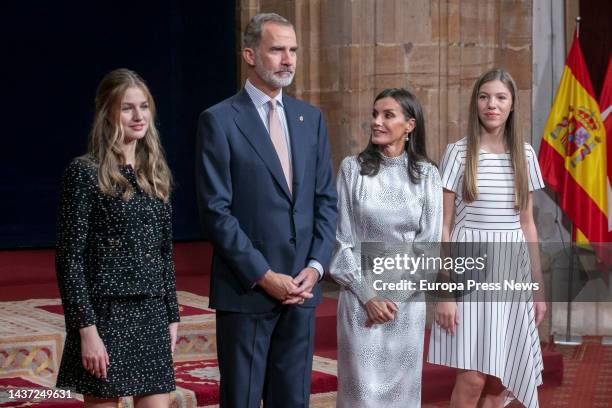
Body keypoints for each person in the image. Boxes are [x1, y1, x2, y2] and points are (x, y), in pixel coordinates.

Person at [195, 13, 337, 408]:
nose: (288, 59)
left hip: (302, 292)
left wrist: (316, 268)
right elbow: (215, 211)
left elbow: (326, 201)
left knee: (293, 400)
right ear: (250, 54)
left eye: (293, 50)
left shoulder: (311, 119)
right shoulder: (219, 120)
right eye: (277, 50)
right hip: (247, 292)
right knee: (240, 400)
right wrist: (263, 275)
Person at [55, 68, 180, 407]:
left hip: (151, 314)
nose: (138, 116)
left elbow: (164, 252)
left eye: (144, 106)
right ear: (108, 112)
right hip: (105, 317)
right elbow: (69, 261)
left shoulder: (155, 173)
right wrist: (86, 330)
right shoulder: (84, 173)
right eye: (127, 107)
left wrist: (172, 315)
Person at [427, 68, 547, 408]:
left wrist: (537, 289)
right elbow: (444, 227)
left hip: (512, 273)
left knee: (500, 380)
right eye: (484, 97)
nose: (491, 104)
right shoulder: (458, 153)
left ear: (511, 105)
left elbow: (528, 226)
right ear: (475, 103)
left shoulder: (524, 155)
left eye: (500, 97)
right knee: (471, 377)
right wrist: (445, 292)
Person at [330, 88, 442, 407]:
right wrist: (369, 297)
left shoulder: (427, 175)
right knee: (361, 396)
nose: (377, 122)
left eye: (387, 115)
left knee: (401, 398)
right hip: (358, 299)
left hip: (405, 307)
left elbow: (429, 250)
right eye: (374, 114)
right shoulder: (353, 169)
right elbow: (340, 243)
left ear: (410, 125)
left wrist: (392, 299)